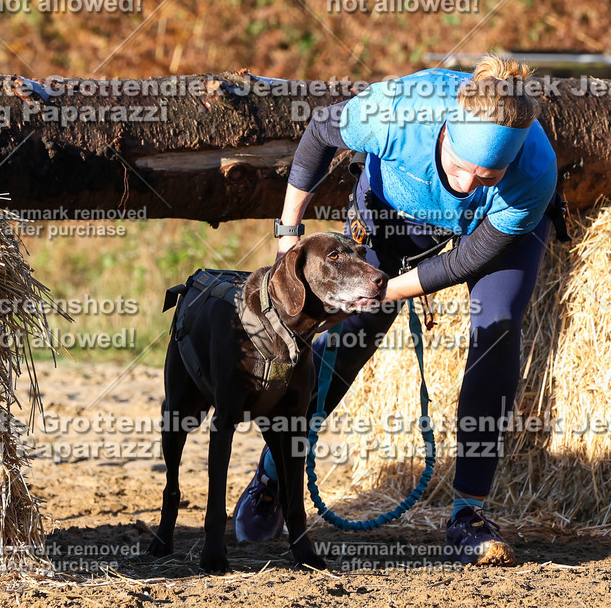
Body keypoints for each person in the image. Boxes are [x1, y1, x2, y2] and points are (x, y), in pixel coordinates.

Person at [232, 55, 564, 566]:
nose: (470, 185)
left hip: (486, 237)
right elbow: (320, 134)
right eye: (460, 167)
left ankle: (468, 514)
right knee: (350, 337)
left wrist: (384, 291)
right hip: (391, 213)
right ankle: (274, 475)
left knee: (497, 330)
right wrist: (288, 231)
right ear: (446, 130)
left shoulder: (534, 168)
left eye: (488, 175)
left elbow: (469, 257)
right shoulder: (398, 113)